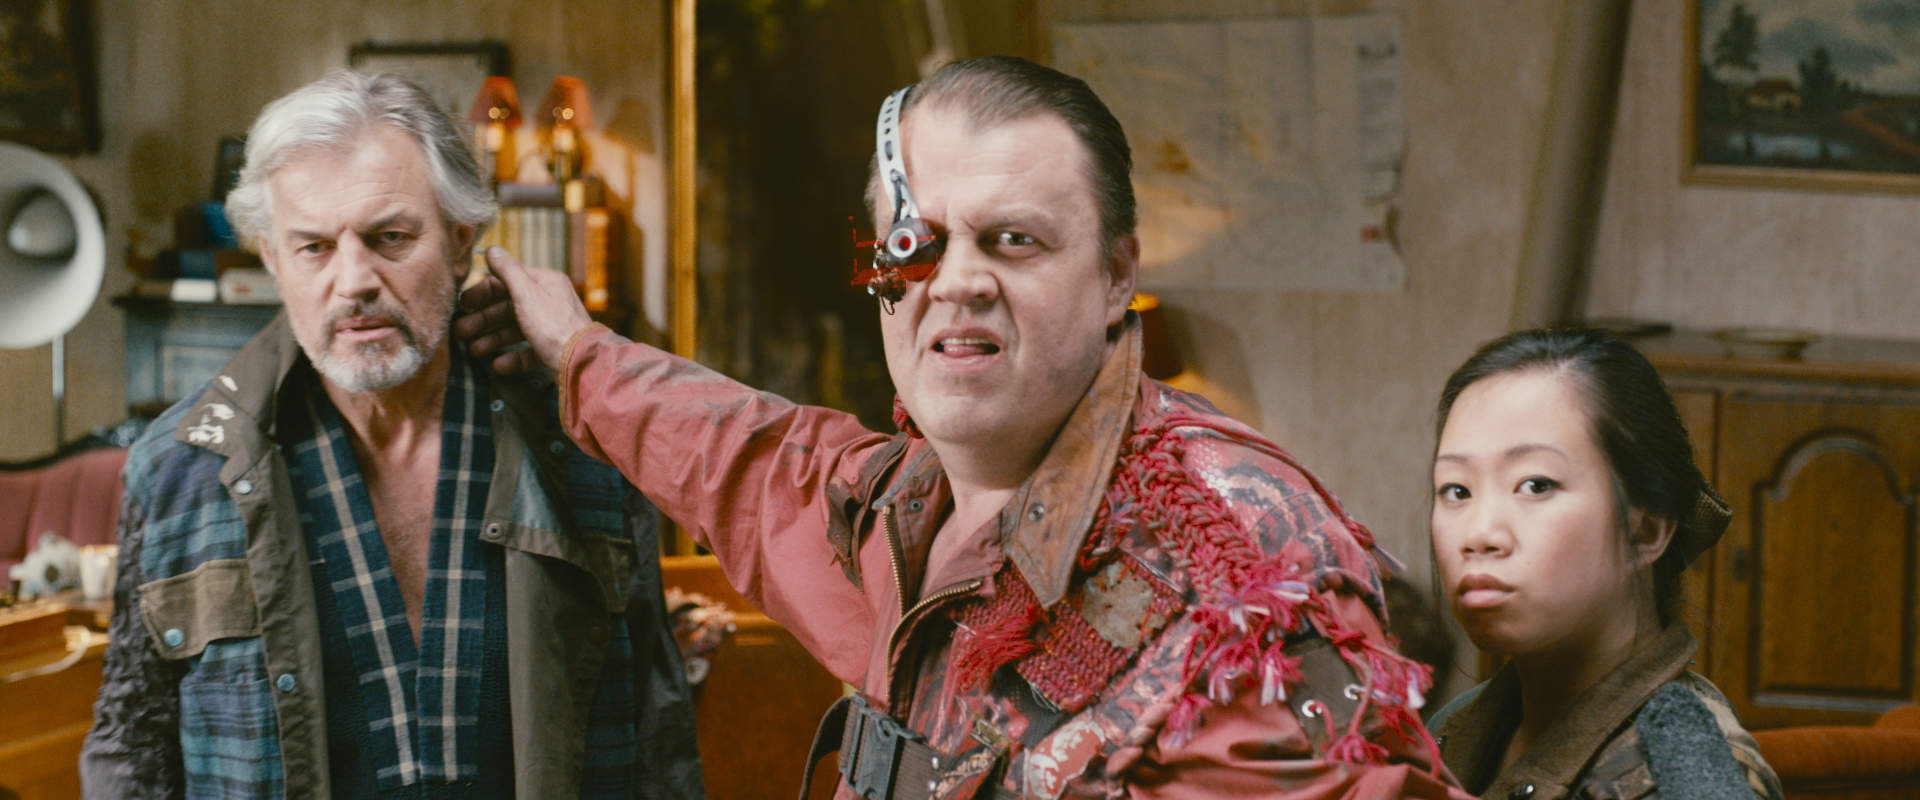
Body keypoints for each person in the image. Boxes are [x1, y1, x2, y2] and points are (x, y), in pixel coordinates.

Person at [460, 56, 1470, 799]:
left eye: (1014, 240)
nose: (957, 282)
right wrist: (577, 351)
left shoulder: (1235, 569)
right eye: (918, 242)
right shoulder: (902, 503)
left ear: (1117, 274)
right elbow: (750, 458)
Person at [80, 71, 703, 800]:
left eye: (390, 238)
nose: (355, 281)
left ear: (462, 242)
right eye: (314, 247)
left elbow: (658, 735)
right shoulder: (177, 469)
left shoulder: (583, 444)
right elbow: (131, 746)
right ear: (273, 259)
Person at [1425, 329, 1783, 800]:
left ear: (1646, 530)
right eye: (1457, 490)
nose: (1478, 534)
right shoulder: (1452, 728)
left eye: (1536, 485)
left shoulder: (1688, 778)